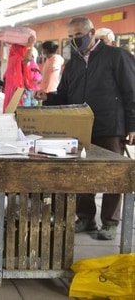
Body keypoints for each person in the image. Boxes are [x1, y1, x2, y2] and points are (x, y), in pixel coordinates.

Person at [34, 16, 135, 241]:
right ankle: (86, 216)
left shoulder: (116, 56)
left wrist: (132, 126)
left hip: (110, 126)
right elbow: (65, 95)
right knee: (83, 174)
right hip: (81, 128)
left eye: (78, 35)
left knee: (112, 176)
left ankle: (109, 222)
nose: (74, 40)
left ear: (92, 32)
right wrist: (48, 97)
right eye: (70, 37)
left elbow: (131, 92)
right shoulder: (73, 64)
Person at [2, 35, 36, 112]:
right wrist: (30, 46)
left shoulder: (15, 57)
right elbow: (26, 59)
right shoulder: (14, 56)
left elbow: (27, 59)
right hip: (16, 88)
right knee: (16, 111)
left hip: (20, 89)